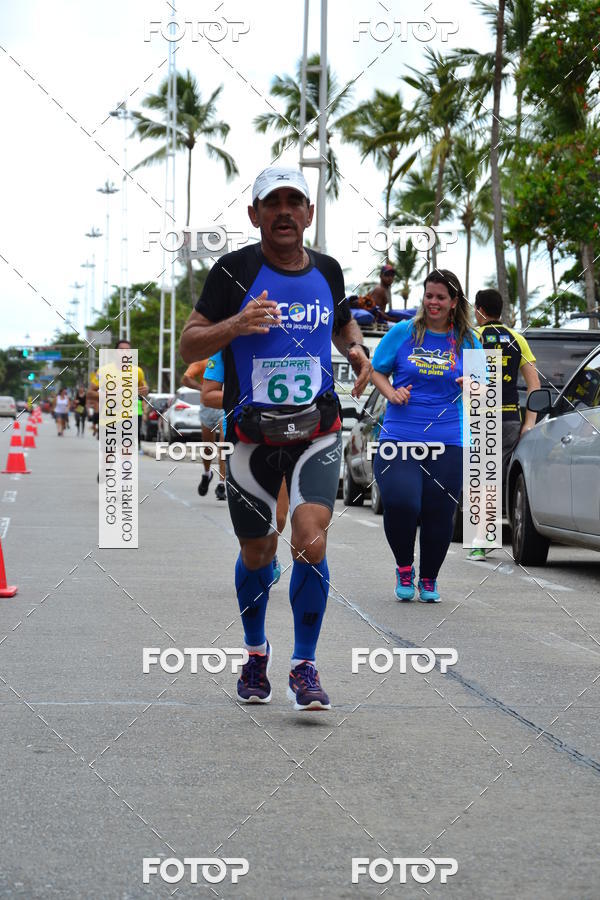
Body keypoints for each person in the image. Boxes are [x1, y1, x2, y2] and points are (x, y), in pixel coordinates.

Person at [180, 165, 371, 710]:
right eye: (272, 203)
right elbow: (190, 346)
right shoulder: (233, 272)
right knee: (259, 551)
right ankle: (256, 652)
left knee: (310, 537)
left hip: (317, 427)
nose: (284, 212)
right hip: (252, 435)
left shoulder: (330, 271)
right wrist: (235, 326)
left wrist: (354, 348)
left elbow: (341, 322)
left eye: (295, 202)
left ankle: (305, 664)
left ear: (309, 214)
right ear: (255, 214)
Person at [371, 269, 483, 603]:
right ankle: (404, 567)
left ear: (453, 303)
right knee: (401, 502)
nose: (433, 302)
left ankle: (430, 578)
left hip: (448, 437)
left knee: (439, 510)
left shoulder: (468, 339)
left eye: (440, 297)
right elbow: (378, 370)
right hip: (400, 436)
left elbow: (482, 388)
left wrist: (470, 386)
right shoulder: (404, 332)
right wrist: (391, 393)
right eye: (429, 295)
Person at [202, 351, 289, 579]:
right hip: (242, 437)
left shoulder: (286, 342)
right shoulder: (227, 346)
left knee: (279, 517)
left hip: (285, 434)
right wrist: (251, 397)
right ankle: (257, 554)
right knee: (252, 517)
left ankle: (268, 551)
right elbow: (208, 396)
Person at [469, 289, 541, 560]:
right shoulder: (517, 339)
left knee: (481, 479)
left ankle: (483, 538)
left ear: (479, 311)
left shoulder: (475, 338)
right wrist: (529, 423)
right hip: (511, 417)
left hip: (480, 416)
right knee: (499, 477)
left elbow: (472, 385)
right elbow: (534, 385)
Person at [182, 359, 226, 500]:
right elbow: (186, 378)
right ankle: (207, 474)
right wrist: (203, 388)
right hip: (207, 405)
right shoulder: (204, 360)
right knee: (208, 447)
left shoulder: (232, 355)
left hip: (225, 404)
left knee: (224, 443)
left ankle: (221, 484)